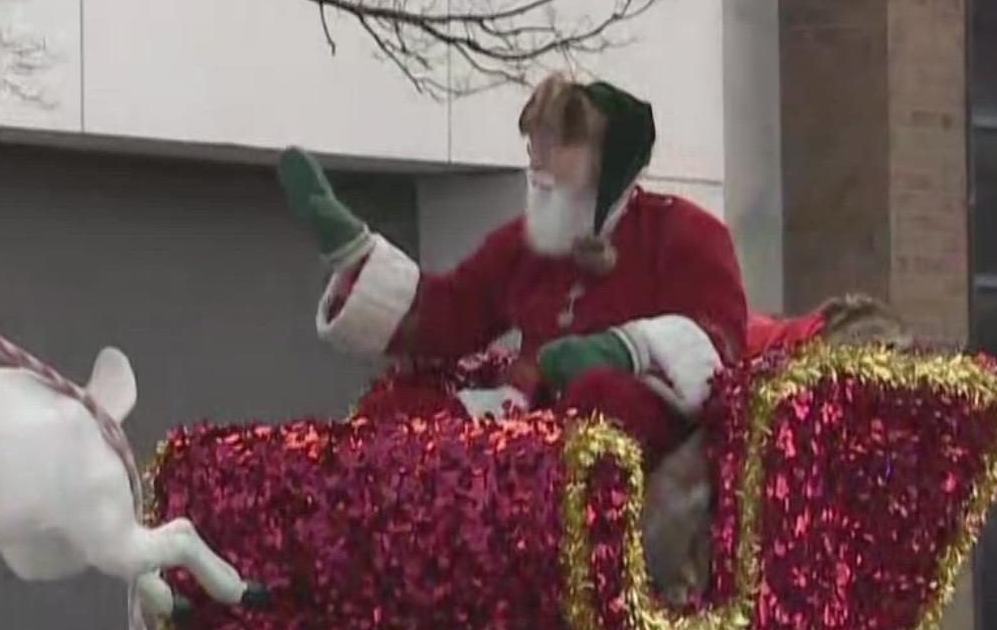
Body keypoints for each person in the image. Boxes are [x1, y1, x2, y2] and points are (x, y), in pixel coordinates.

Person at [278, 74, 748, 464]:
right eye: (533, 143)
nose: (535, 158)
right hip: (522, 416)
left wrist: (625, 349)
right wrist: (356, 254)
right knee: (396, 411)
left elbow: (718, 344)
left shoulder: (682, 232)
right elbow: (449, 313)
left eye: (555, 145)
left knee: (600, 396)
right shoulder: (527, 244)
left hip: (633, 440)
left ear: (607, 160)